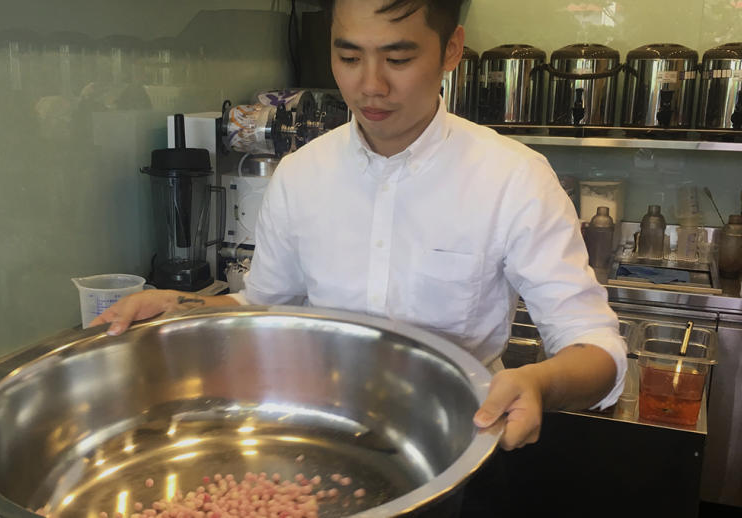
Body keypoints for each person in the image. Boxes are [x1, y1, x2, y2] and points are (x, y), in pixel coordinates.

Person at [91, 0, 626, 453]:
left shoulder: (513, 178)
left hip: (453, 445)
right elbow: (265, 307)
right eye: (348, 56)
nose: (369, 85)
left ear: (452, 50)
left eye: (398, 57)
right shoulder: (301, 173)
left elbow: (597, 349)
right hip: (316, 437)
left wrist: (538, 383)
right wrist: (177, 306)